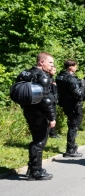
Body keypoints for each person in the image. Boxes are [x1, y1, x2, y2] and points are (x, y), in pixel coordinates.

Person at [16, 52, 56, 180]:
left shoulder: (25, 74)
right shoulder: (42, 77)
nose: (52, 66)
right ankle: (36, 171)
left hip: (29, 111)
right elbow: (46, 100)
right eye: (50, 63)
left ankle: (31, 168)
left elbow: (19, 93)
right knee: (40, 141)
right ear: (41, 62)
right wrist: (51, 117)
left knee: (36, 139)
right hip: (39, 114)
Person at [56, 59, 85, 158]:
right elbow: (78, 93)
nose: (76, 68)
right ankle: (70, 149)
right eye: (75, 66)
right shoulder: (71, 78)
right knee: (73, 126)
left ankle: (71, 146)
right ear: (70, 67)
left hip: (65, 103)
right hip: (74, 104)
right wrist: (83, 86)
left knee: (71, 124)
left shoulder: (60, 76)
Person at [48, 65, 60, 138]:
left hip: (53, 100)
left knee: (53, 116)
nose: (55, 72)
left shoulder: (52, 79)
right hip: (49, 101)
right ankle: (52, 133)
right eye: (54, 70)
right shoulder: (47, 80)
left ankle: (52, 132)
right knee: (51, 116)